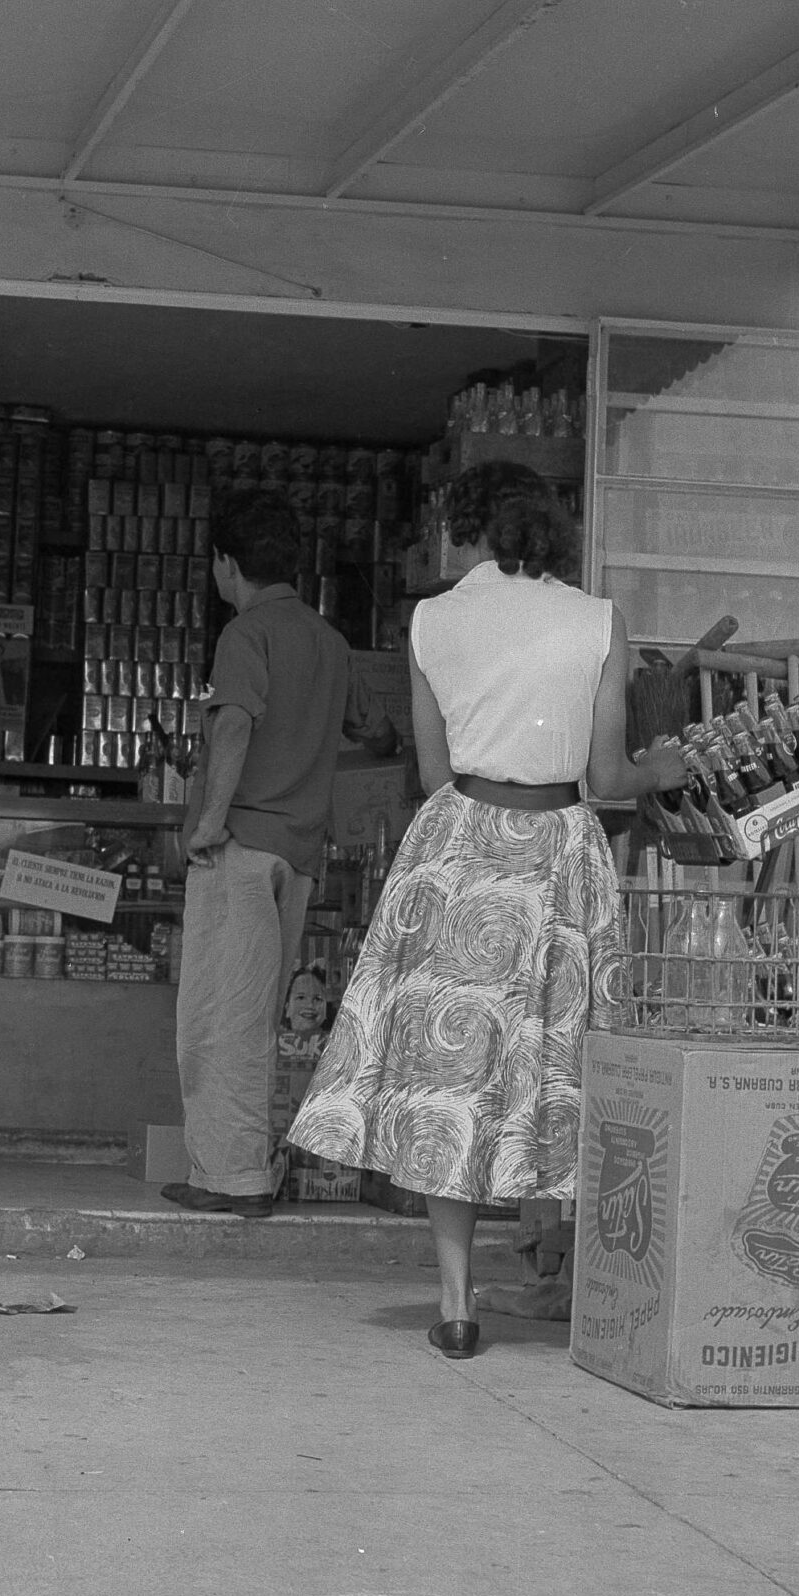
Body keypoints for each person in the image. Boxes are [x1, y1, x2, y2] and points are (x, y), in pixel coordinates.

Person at [286, 465, 690, 1356]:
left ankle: (458, 1304)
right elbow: (612, 776)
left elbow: (433, 774)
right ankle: (590, 1283)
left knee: (451, 1078)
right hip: (558, 856)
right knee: (563, 1064)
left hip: (459, 852)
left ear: (468, 532)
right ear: (549, 529)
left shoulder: (431, 621)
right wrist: (670, 767)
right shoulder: (597, 621)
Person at [164, 491, 399, 1218]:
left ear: (225, 564)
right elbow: (379, 734)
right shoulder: (327, 640)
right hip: (298, 852)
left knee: (214, 1017)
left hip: (242, 845)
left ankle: (233, 1180)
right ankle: (240, 1168)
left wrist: (206, 824)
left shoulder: (247, 634)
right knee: (254, 1014)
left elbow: (232, 726)